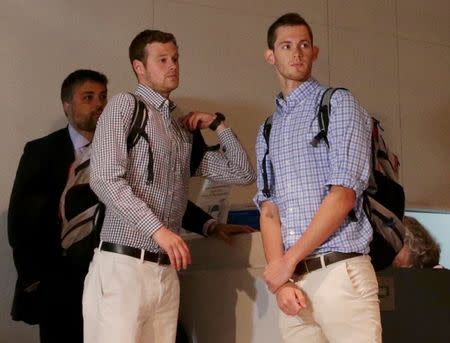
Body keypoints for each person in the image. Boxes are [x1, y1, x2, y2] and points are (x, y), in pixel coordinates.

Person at [8, 69, 251, 343]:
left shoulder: (127, 140)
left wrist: (210, 225)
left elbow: (159, 196)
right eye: (88, 97)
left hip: (124, 268)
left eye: (102, 97)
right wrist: (34, 281)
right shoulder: (41, 152)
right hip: (62, 280)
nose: (99, 104)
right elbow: (22, 223)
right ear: (67, 106)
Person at [83, 29, 255, 343]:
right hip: (123, 267)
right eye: (162, 60)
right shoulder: (124, 106)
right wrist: (159, 230)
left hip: (166, 273)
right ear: (139, 67)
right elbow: (105, 179)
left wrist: (219, 125)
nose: (172, 66)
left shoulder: (181, 128)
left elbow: (243, 174)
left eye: (175, 58)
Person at [254, 13, 381, 342]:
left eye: (303, 45)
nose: (296, 53)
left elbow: (343, 195)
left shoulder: (338, 103)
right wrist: (281, 281)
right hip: (295, 286)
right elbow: (269, 209)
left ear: (314, 52)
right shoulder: (268, 128)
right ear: (270, 56)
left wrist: (287, 261)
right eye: (286, 46)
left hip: (341, 273)